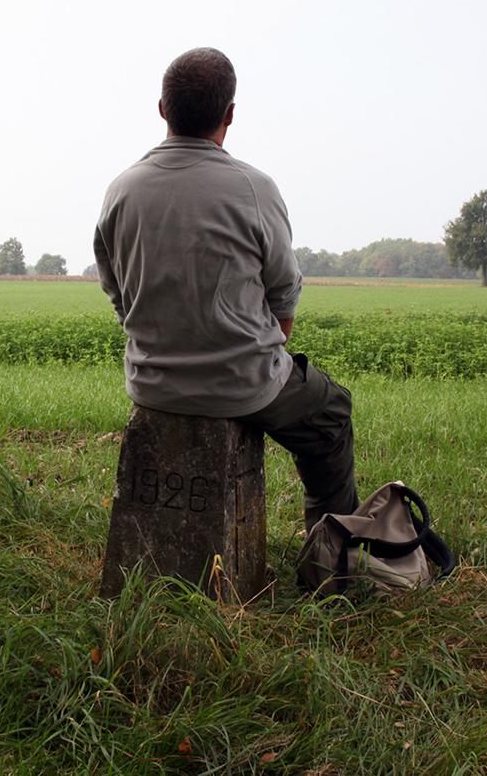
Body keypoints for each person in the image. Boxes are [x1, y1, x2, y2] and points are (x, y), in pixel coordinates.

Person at [93, 47, 358, 531]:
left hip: (151, 382)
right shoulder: (253, 187)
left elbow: (118, 293)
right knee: (332, 413)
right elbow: (283, 296)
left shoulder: (121, 189)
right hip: (245, 383)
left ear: (161, 109)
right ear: (229, 114)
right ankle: (330, 553)